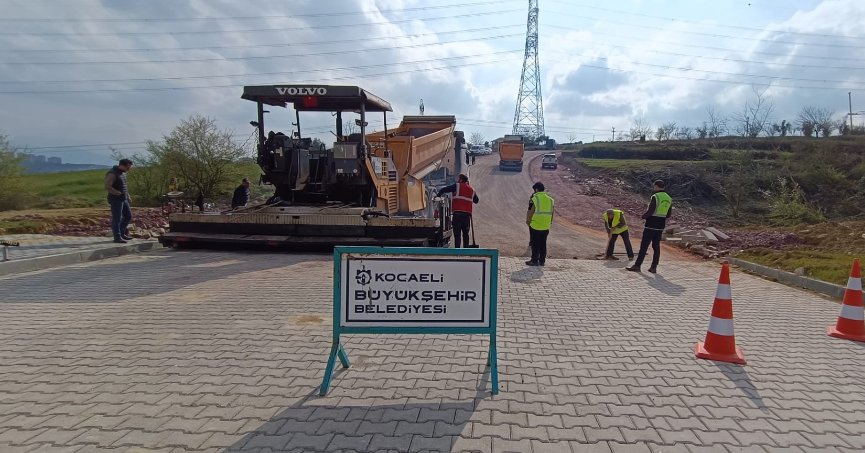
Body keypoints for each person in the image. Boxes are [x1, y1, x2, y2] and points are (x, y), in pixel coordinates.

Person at [627, 180, 673, 273]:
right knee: (656, 246)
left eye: (654, 187)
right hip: (661, 225)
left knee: (644, 246)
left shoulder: (655, 196)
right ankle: (653, 267)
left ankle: (637, 265)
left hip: (651, 224)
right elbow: (668, 214)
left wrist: (643, 216)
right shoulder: (669, 198)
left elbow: (651, 211)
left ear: (656, 186)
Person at [436, 174, 479, 248]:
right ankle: (466, 250)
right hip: (467, 216)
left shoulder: (457, 186)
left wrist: (438, 195)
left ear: (461, 180)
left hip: (457, 215)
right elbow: (476, 200)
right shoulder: (472, 190)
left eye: (458, 179)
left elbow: (445, 189)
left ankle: (458, 251)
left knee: (457, 235)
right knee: (466, 234)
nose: (457, 180)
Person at [104, 158, 134, 243]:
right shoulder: (112, 173)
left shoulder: (123, 174)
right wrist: (117, 192)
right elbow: (107, 186)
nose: (129, 169)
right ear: (122, 165)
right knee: (117, 218)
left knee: (128, 216)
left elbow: (124, 186)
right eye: (128, 167)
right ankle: (117, 237)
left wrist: (128, 196)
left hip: (123, 198)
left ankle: (122, 233)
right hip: (115, 199)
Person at [526, 182, 554, 266]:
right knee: (543, 243)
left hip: (535, 225)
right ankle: (542, 261)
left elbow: (530, 212)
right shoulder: (550, 200)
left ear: (536, 189)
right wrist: (550, 222)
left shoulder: (534, 199)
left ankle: (534, 261)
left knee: (535, 244)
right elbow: (552, 213)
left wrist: (528, 222)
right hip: (546, 226)